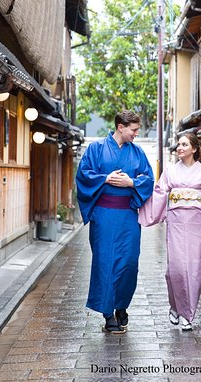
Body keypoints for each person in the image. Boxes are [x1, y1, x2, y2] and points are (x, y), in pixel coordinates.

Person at [76, 110, 154, 334]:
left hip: (128, 216)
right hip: (104, 214)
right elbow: (83, 175)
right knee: (105, 262)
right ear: (121, 127)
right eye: (134, 130)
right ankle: (108, 313)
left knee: (129, 263)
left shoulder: (137, 152)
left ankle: (122, 305)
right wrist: (105, 178)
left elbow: (148, 178)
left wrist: (131, 182)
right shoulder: (96, 149)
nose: (136, 134)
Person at [138, 133, 201, 331]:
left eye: (184, 144)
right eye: (178, 144)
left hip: (197, 224)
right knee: (175, 270)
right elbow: (160, 195)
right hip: (176, 223)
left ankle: (187, 315)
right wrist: (144, 209)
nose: (179, 147)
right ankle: (175, 306)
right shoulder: (170, 172)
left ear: (194, 149)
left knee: (194, 270)